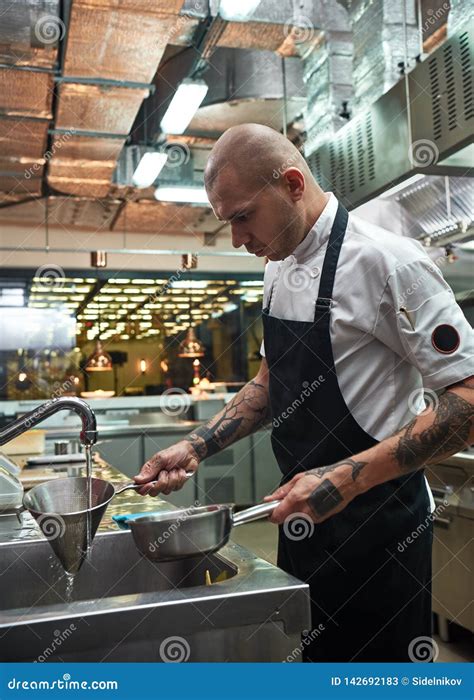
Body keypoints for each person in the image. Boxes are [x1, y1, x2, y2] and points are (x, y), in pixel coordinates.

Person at [134, 124, 473, 662]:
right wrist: (197, 445)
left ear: (293, 184)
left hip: (381, 531)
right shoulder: (278, 268)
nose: (238, 239)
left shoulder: (390, 263)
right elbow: (272, 383)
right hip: (300, 518)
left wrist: (343, 478)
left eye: (243, 216)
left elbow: (469, 401)